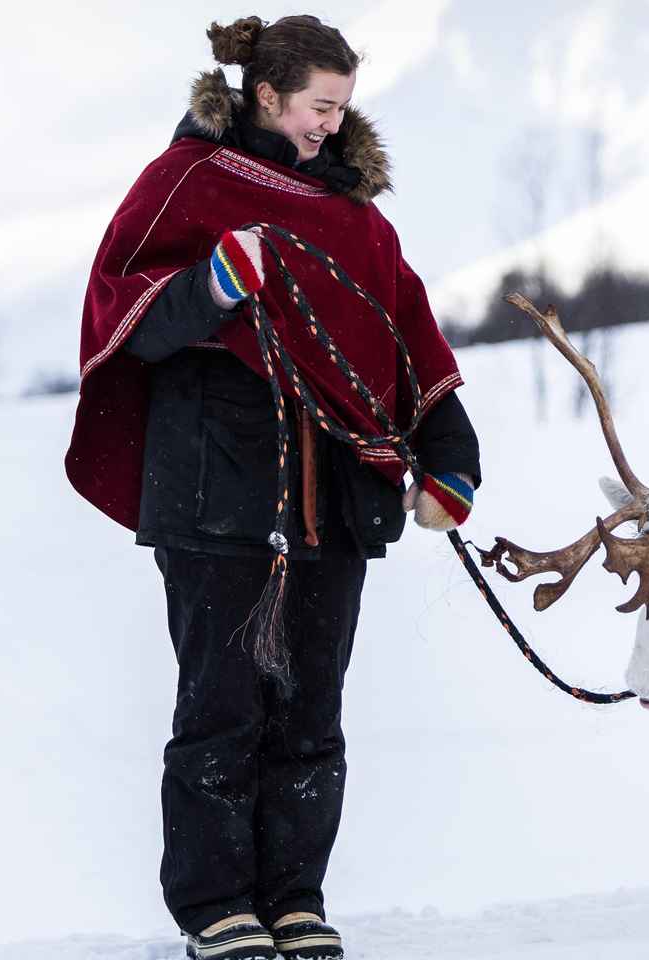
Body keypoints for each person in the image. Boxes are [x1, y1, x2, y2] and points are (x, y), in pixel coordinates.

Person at [64, 15, 479, 960]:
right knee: (222, 708)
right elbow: (124, 318)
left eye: (341, 108)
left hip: (333, 497)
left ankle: (295, 900)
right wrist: (209, 284)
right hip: (217, 489)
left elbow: (408, 336)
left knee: (312, 712)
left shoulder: (360, 220)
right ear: (266, 96)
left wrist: (451, 455)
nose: (330, 126)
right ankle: (216, 911)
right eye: (316, 106)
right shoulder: (186, 186)